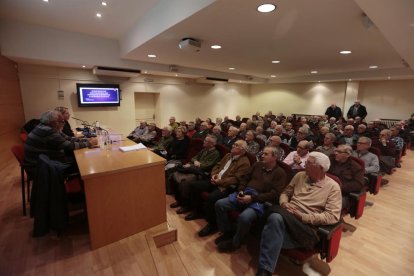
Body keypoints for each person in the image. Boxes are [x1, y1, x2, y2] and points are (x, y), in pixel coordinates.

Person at [256, 152, 342, 276]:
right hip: (286, 217)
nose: (304, 164)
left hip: (304, 228)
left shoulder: (333, 187)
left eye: (309, 163)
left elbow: (332, 216)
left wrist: (303, 216)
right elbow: (286, 193)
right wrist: (285, 204)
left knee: (272, 222)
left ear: (321, 168)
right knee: (275, 219)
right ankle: (265, 271)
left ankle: (264, 269)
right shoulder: (300, 175)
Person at [214, 147, 287, 252]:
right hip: (245, 193)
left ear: (274, 157)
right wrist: (241, 190)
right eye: (263, 153)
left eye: (266, 154)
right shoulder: (257, 165)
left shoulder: (280, 173)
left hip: (259, 200)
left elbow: (274, 194)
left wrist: (252, 198)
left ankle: (236, 242)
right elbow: (245, 178)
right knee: (220, 204)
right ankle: (227, 232)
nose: (262, 155)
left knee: (245, 217)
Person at [189, 140, 251, 237]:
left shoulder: (244, 163)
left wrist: (220, 181)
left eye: (236, 145)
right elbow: (217, 166)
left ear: (242, 151)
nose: (233, 146)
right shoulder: (228, 155)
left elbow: (235, 179)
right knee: (194, 186)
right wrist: (214, 175)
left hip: (225, 186)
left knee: (211, 198)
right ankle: (198, 211)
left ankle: (212, 225)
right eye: (234, 144)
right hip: (216, 180)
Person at [24, 110, 98, 167]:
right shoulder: (48, 131)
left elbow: (68, 138)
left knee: (80, 156)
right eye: (62, 121)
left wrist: (86, 140)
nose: (64, 123)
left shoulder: (47, 127)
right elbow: (69, 146)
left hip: (45, 161)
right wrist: (89, 143)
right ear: (54, 122)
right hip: (44, 167)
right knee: (84, 162)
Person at [169, 135, 221, 213]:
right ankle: (179, 200)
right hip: (194, 169)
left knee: (184, 182)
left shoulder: (216, 153)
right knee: (174, 176)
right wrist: (195, 162)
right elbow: (193, 158)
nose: (204, 142)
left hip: (201, 174)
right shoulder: (204, 150)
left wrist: (193, 164)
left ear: (212, 144)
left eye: (206, 141)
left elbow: (206, 166)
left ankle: (186, 205)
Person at [328, 144, 365, 209]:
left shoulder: (356, 167)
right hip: (326, 189)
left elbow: (358, 185)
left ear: (347, 155)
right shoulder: (330, 161)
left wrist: (337, 187)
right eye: (336, 151)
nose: (336, 153)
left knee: (328, 206)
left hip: (343, 194)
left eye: (339, 152)